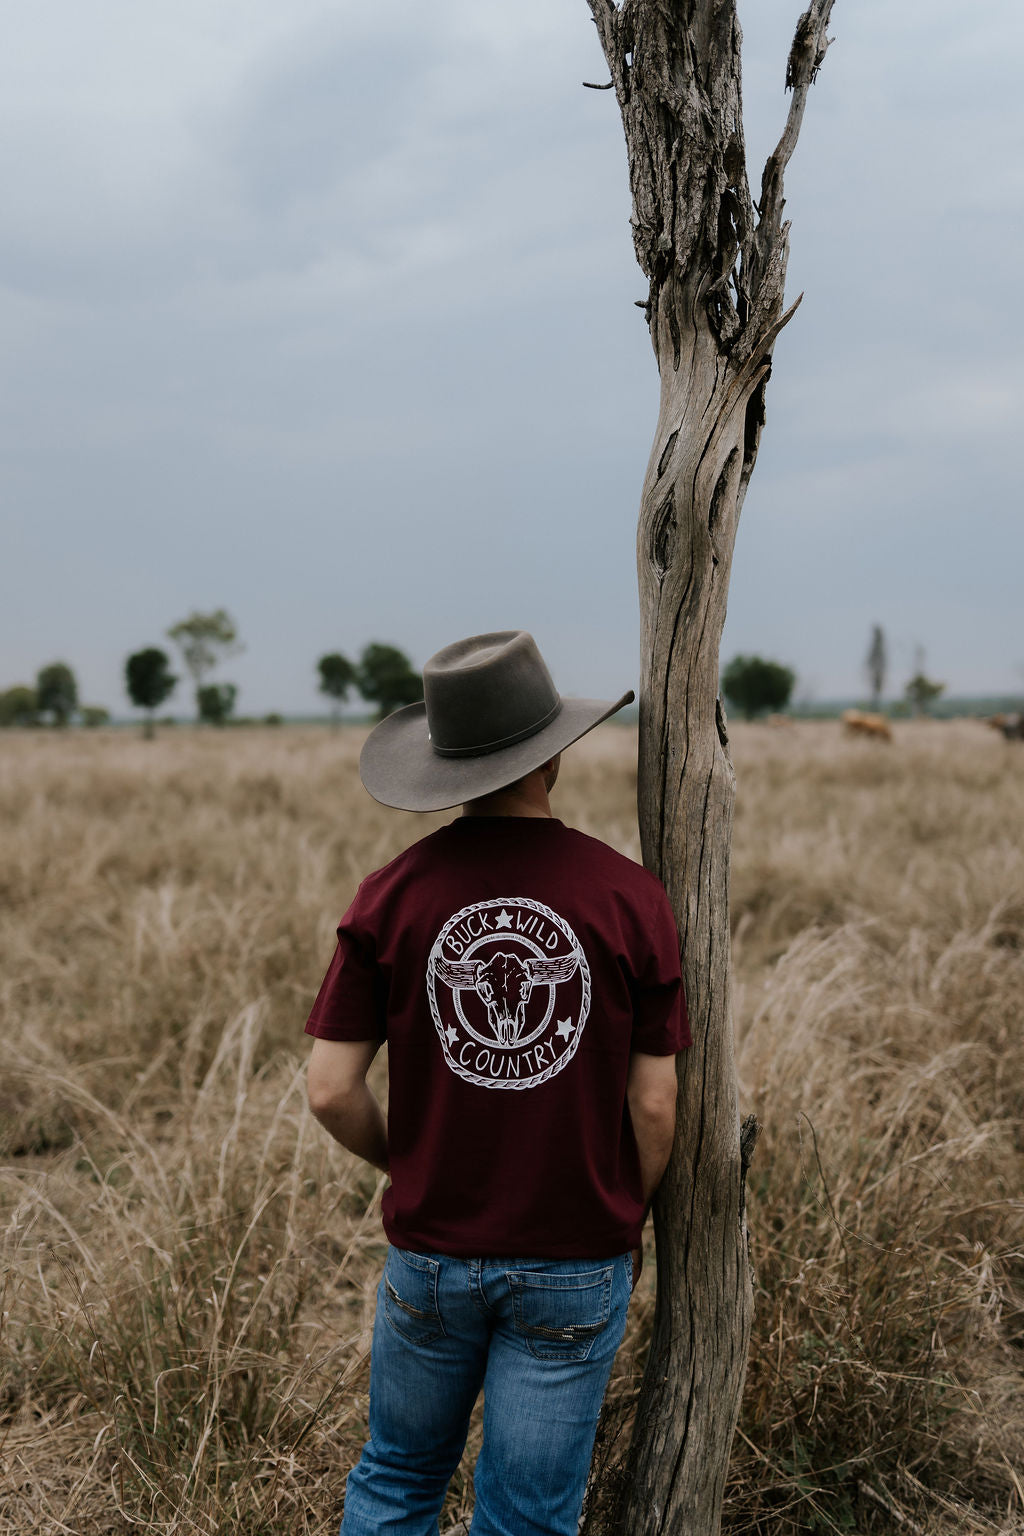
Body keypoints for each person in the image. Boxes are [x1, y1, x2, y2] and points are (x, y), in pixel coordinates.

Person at [305, 630, 690, 1536]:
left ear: (445, 769)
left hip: (431, 1254)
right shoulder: (629, 896)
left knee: (398, 1479)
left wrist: (416, 1164)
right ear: (552, 753)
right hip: (572, 1255)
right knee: (525, 1517)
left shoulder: (389, 895)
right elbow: (656, 1101)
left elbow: (329, 1088)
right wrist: (617, 1210)